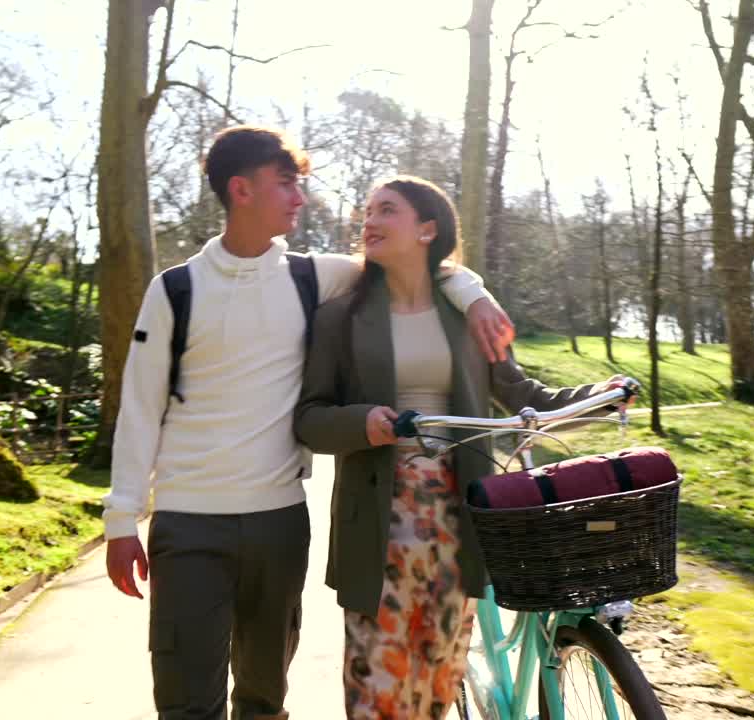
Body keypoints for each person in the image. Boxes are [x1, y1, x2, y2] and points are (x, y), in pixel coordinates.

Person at [101, 128, 515, 720]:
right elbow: (140, 408)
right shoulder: (174, 291)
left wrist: (473, 293)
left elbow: (411, 263)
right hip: (189, 523)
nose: (301, 198)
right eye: (287, 183)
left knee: (264, 699)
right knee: (186, 701)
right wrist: (121, 519)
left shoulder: (313, 277)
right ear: (242, 189)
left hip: (279, 524)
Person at [293, 175, 622, 719]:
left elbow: (525, 397)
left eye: (386, 210)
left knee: (437, 679)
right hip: (381, 522)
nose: (369, 222)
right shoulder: (342, 317)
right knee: (380, 685)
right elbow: (309, 418)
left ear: (427, 229)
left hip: (459, 516)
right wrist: (364, 423)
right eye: (368, 212)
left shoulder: (466, 315)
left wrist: (599, 396)